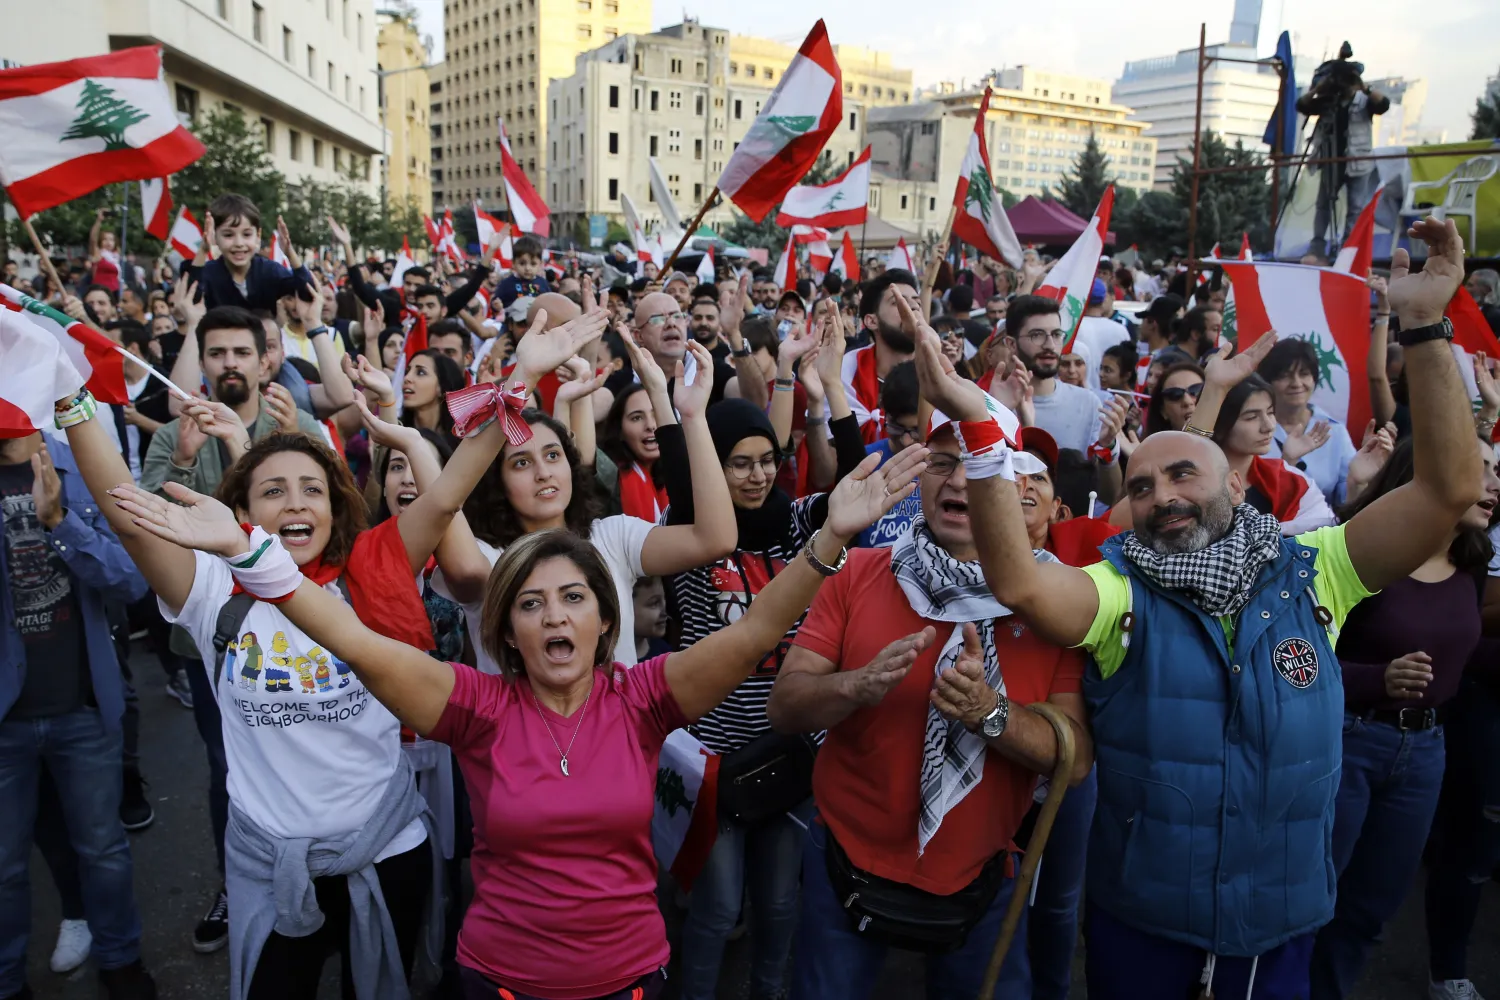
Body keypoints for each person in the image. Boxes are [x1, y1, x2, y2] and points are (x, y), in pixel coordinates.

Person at [113, 428, 923, 1000]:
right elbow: (356, 642)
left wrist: (831, 538)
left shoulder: (643, 702)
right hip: (501, 979)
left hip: (630, 978)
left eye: (575, 597)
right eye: (531, 604)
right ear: (504, 632)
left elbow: (751, 635)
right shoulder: (473, 707)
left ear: (607, 620)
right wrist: (254, 557)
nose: (556, 617)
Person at [944, 217, 1482, 1000]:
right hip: (1147, 931)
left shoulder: (1318, 571)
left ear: (1236, 482)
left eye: (1183, 477)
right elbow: (1022, 583)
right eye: (1141, 487)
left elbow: (1445, 492)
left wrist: (1426, 324)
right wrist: (981, 426)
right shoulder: (1118, 591)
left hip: (1281, 930)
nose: (1161, 495)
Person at [73, 307, 612, 999]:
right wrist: (68, 391)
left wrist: (521, 375)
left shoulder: (377, 564)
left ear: (335, 508)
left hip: (386, 850)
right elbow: (124, 507)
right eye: (272, 490)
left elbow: (451, 487)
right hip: (269, 866)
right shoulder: (213, 587)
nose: (295, 502)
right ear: (244, 518)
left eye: (312, 489)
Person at [767, 396, 1092, 999]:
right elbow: (785, 706)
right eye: (943, 462)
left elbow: (1072, 762)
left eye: (981, 464)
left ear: (1016, 486)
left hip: (985, 875)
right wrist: (854, 686)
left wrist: (989, 714)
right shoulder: (859, 570)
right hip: (844, 861)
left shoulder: (1058, 602)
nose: (960, 478)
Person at [662, 357, 867, 999]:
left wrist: (833, 388)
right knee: (719, 909)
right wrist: (678, 409)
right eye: (739, 462)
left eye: (767, 460)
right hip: (714, 759)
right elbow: (681, 472)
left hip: (790, 749)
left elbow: (856, 488)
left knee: (781, 907)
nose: (757, 476)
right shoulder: (691, 536)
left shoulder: (799, 521)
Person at [1305, 436, 1500, 1000]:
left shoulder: (1474, 557)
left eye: (1495, 470)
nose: (1492, 483)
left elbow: (1464, 652)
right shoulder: (1361, 550)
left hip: (1426, 755)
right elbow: (1296, 660)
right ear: (1433, 474)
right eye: (1479, 468)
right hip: (1348, 740)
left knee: (1371, 910)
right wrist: (1375, 678)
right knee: (1313, 901)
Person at [441, 330, 736, 672]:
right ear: (496, 483)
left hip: (620, 725)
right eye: (521, 462)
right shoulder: (489, 558)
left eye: (553, 455)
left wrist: (692, 416)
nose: (542, 472)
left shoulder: (612, 538)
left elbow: (716, 539)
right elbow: (461, 556)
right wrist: (523, 380)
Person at [0, 432, 157, 1000]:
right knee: (6, 866)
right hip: (6, 720)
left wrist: (60, 520)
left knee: (103, 848)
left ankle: (121, 960)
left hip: (83, 707)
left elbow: (132, 578)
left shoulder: (84, 466)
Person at [999, 295, 1126, 502]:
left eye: (1056, 334)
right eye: (1037, 335)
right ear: (1011, 344)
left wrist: (1108, 447)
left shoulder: (1089, 403)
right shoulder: (993, 405)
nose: (1050, 345)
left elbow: (1107, 498)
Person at [1209, 372, 1336, 534]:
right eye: (1252, 417)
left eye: (1270, 413)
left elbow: (1325, 532)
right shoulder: (1196, 488)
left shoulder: (1293, 481)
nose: (1268, 426)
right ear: (1219, 425)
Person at [1258, 339, 1358, 505]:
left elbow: (1347, 501)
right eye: (1285, 376)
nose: (1296, 384)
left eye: (1304, 374)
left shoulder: (1333, 430)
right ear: (1268, 382)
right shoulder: (1253, 428)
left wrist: (1360, 481)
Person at [185, 195, 311, 312]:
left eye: (246, 234)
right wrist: (203, 250)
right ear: (214, 237)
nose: (239, 243)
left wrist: (290, 253)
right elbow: (192, 300)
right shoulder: (208, 272)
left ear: (258, 235)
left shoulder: (269, 271)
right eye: (228, 235)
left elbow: (308, 293)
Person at [843, 270, 920, 444]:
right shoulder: (846, 371)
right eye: (897, 302)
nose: (912, 308)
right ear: (871, 321)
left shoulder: (942, 372)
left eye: (917, 303)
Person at [599, 383, 667, 522]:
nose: (650, 425)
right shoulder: (607, 477)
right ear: (620, 431)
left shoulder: (685, 473)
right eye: (637, 417)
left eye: (657, 414)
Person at [1143, 362, 1205, 437]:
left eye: (1196, 390)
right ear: (1163, 411)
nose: (1187, 401)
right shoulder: (1150, 447)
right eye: (1174, 394)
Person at [495, 235, 550, 307]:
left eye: (533, 264)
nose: (527, 268)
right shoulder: (506, 284)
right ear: (513, 263)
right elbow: (496, 301)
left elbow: (550, 302)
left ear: (540, 264)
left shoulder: (543, 283)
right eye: (522, 263)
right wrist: (496, 305)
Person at [88, 208, 122, 292]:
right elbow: (93, 239)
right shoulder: (99, 254)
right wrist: (99, 221)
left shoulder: (116, 256)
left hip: (114, 292)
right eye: (105, 239)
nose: (108, 242)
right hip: (100, 291)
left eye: (111, 240)